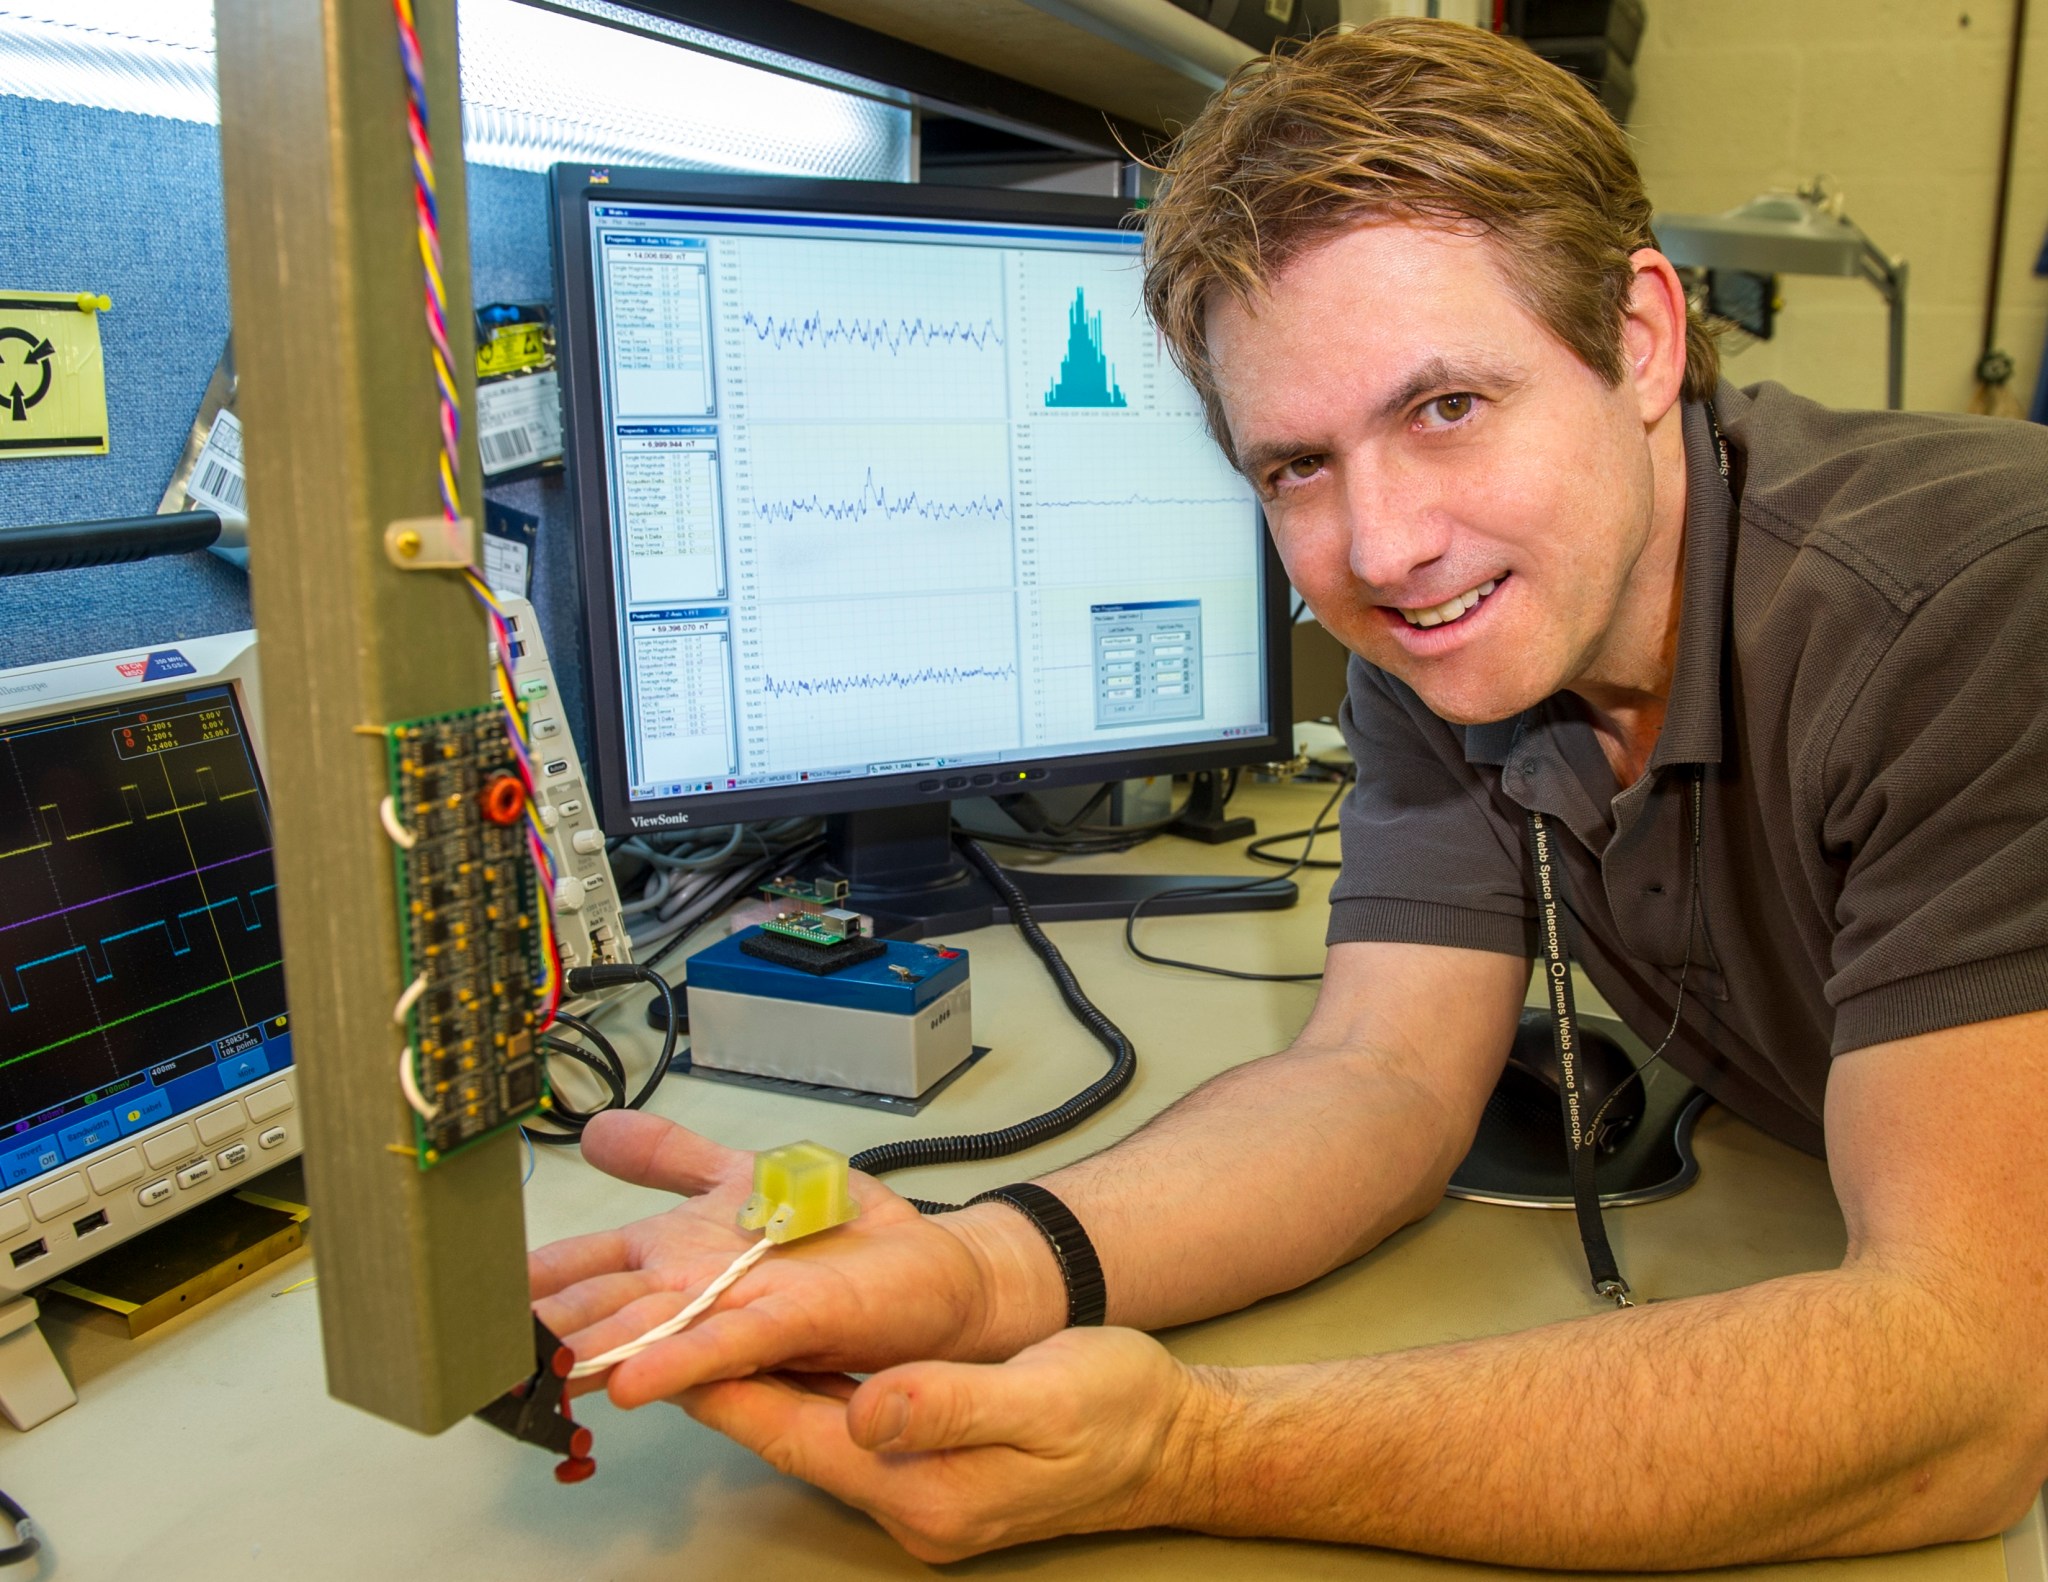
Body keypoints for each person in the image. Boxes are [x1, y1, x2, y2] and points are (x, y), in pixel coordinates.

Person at [531, 18, 2048, 1566]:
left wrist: (1184, 1445)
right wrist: (973, 1273)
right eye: (1296, 467)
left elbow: (1969, 1389)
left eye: (1445, 406)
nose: (1380, 549)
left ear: (1642, 336)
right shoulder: (1470, 639)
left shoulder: (1972, 606)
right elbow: (1379, 1082)